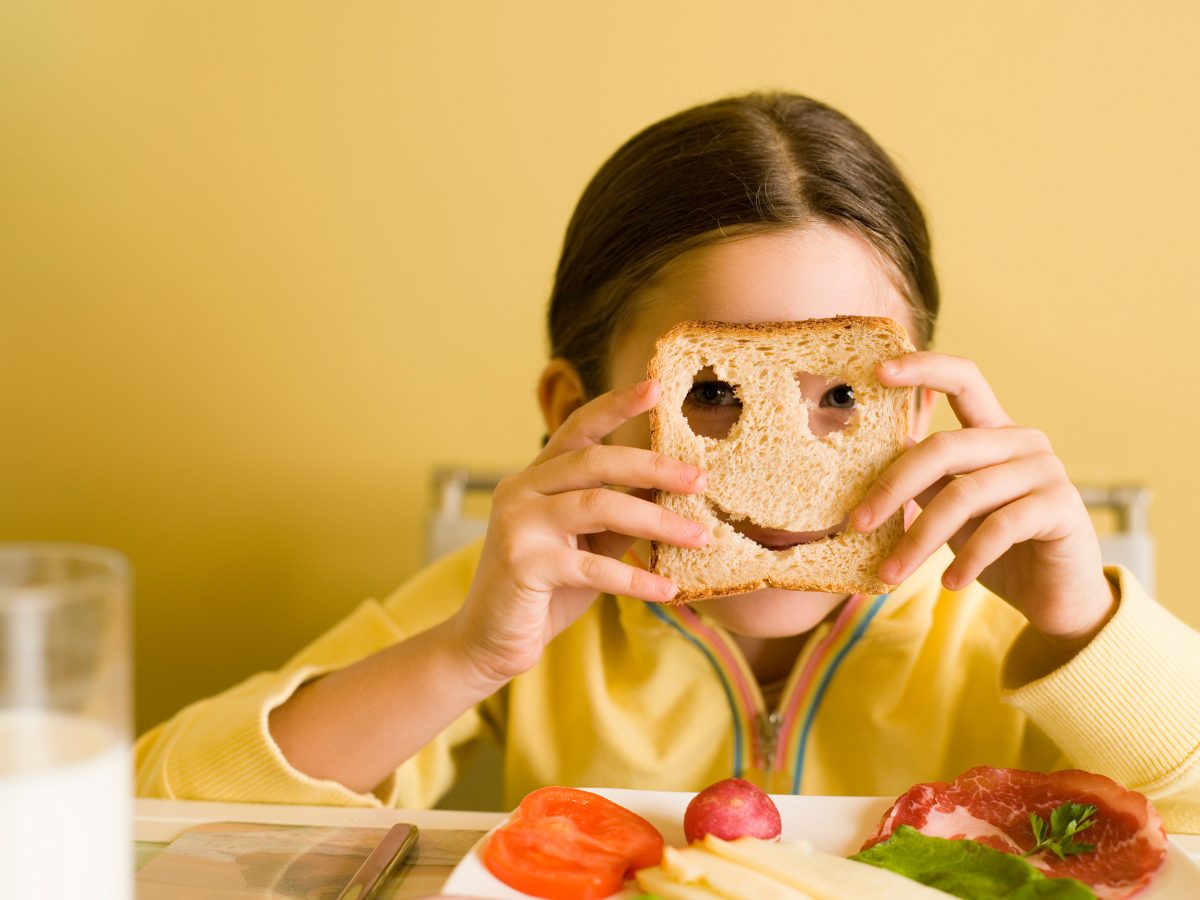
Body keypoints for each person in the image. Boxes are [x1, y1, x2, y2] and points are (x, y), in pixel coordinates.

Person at [135, 93, 1200, 832]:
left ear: (921, 406)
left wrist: (1078, 627)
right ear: (569, 413)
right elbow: (166, 814)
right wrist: (463, 656)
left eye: (845, 397)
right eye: (712, 396)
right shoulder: (532, 599)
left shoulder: (1005, 620)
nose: (788, 466)